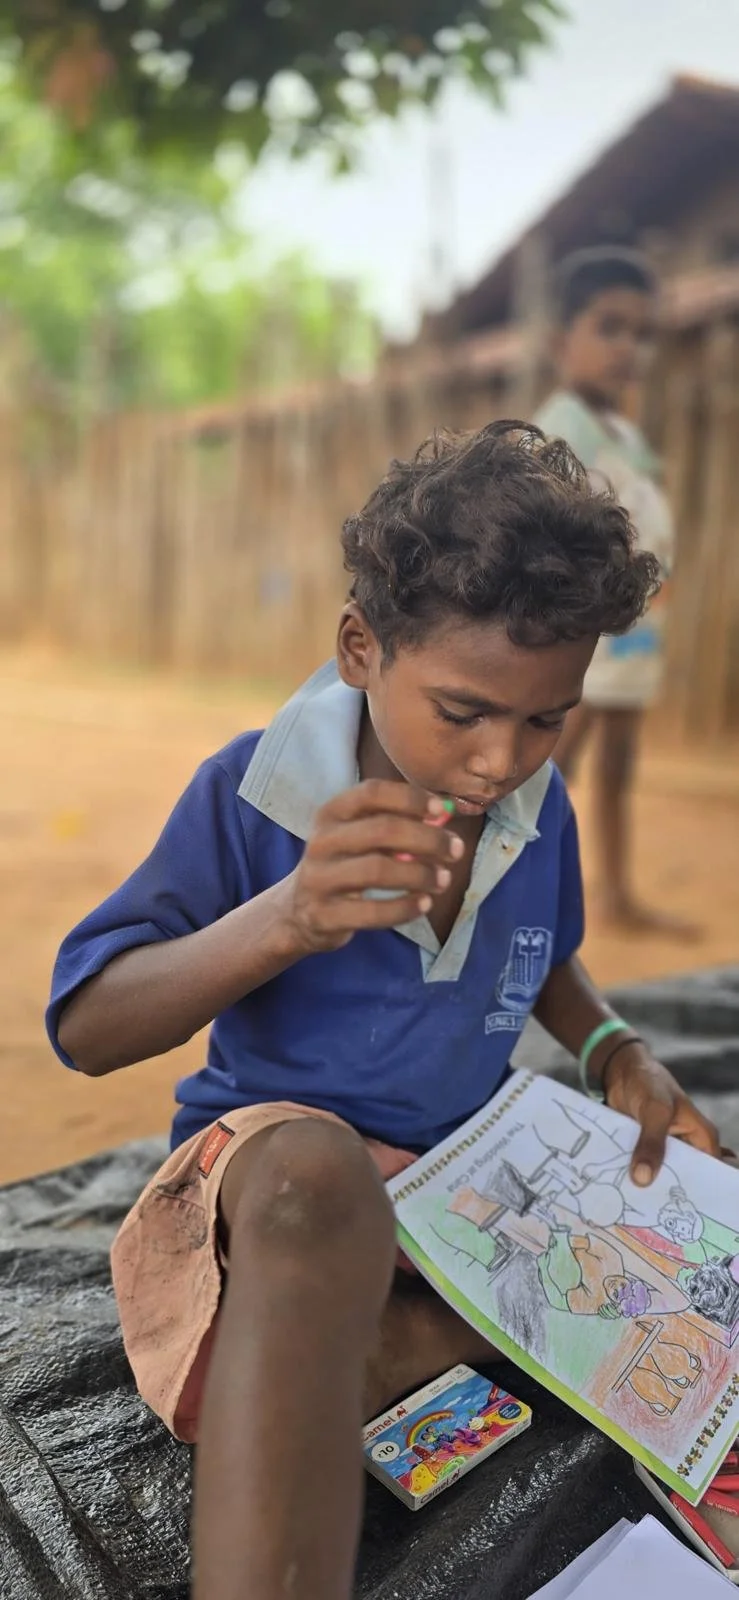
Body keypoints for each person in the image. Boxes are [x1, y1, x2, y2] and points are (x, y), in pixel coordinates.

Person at [47, 422, 721, 1600]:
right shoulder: (255, 794)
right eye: (462, 711)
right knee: (318, 1184)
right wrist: (287, 918)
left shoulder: (534, 806)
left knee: (685, 1246)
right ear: (361, 647)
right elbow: (89, 1024)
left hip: (456, 1195)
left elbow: (547, 955)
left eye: (545, 718)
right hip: (273, 1182)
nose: (498, 757)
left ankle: (384, 1349)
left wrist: (613, 1046)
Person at [535, 247, 689, 935]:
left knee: (619, 763)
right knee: (551, 766)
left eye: (640, 333)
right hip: (588, 633)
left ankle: (618, 895)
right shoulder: (560, 428)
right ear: (559, 341)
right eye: (608, 327)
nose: (627, 347)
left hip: (636, 631)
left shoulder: (622, 434)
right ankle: (508, 890)